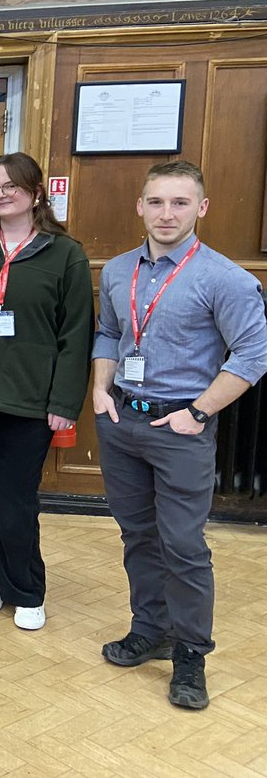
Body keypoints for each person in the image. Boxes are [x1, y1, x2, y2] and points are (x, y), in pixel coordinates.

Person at [93, 160, 267, 711]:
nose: (166, 214)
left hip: (181, 429)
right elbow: (108, 333)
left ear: (202, 208)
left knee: (184, 546)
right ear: (139, 206)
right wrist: (100, 390)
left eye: (180, 203)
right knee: (137, 535)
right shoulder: (118, 270)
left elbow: (253, 355)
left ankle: (191, 654)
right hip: (122, 420)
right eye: (156, 202)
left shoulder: (225, 278)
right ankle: (151, 630)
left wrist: (199, 411)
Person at [0, 152, 93, 631]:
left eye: (11, 186)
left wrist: (64, 402)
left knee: (14, 500)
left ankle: (26, 590)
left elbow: (76, 335)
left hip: (30, 400)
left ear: (35, 192)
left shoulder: (64, 254)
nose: (1, 194)